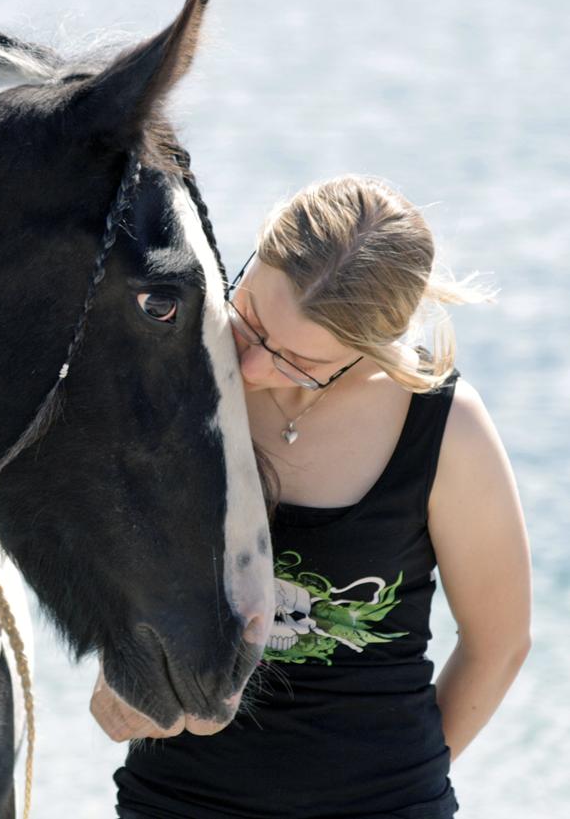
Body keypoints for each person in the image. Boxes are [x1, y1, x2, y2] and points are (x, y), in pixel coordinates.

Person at [91, 175, 531, 819]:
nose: (250, 368)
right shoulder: (169, 386)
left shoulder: (445, 429)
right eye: (250, 317)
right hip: (177, 801)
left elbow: (500, 643)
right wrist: (120, 671)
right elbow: (115, 577)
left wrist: (404, 783)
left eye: (295, 360)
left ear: (368, 350)